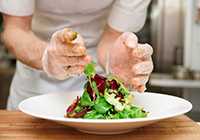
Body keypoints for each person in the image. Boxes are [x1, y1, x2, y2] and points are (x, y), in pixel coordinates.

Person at [0, 0, 153, 110]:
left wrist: (115, 61)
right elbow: (15, 29)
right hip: (33, 86)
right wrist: (47, 57)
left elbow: (111, 37)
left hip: (99, 93)